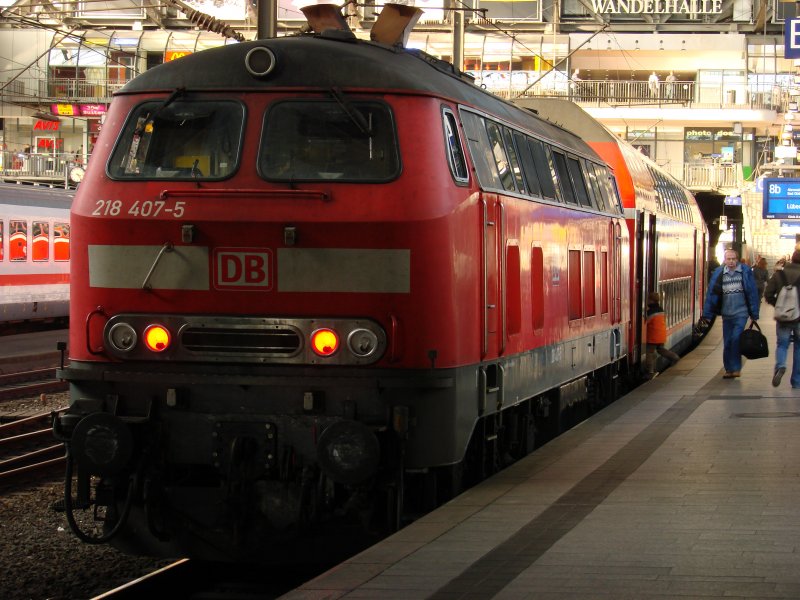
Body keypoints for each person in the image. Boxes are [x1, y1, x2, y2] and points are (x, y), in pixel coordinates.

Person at [700, 248, 760, 378]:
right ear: (725, 260)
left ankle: (736, 368)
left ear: (737, 259)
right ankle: (728, 369)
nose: (731, 261)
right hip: (726, 314)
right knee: (727, 342)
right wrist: (707, 314)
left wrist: (754, 314)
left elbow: (752, 293)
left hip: (741, 313)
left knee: (735, 339)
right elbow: (712, 294)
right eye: (729, 259)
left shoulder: (745, 272)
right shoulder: (719, 273)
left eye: (733, 259)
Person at [764, 250, 800, 388]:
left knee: (782, 344)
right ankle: (796, 381)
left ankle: (781, 365)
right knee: (799, 347)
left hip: (783, 318)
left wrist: (779, 305)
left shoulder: (779, 274)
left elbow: (768, 294)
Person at [644, 292, 680, 378]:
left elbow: (645, 322)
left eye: (648, 299)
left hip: (653, 336)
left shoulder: (650, 312)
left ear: (651, 300)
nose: (647, 301)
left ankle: (651, 372)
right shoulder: (660, 309)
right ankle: (674, 357)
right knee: (661, 350)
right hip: (661, 335)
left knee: (650, 353)